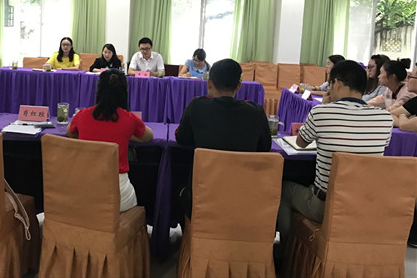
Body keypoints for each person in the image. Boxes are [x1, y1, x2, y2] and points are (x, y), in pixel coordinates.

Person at [277, 60, 393, 250]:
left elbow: (300, 142)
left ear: (337, 83)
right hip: (365, 205)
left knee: (282, 189)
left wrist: (324, 106)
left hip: (325, 206)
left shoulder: (322, 112)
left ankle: (287, 252)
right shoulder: (385, 118)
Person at [175, 58, 271, 217]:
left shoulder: (197, 106)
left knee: (176, 184)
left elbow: (182, 139)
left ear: (209, 83)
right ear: (239, 86)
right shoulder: (257, 112)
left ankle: (190, 231)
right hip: (244, 200)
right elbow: (265, 148)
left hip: (203, 198)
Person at [66, 69, 153, 211]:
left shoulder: (82, 115)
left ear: (99, 90)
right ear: (124, 92)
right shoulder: (129, 118)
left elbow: (70, 132)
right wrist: (125, 133)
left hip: (84, 192)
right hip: (118, 195)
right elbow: (148, 136)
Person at [388, 63, 417, 248]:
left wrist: (403, 119)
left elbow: (406, 125)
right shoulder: (415, 101)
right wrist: (403, 118)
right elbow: (389, 115)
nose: (408, 80)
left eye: (412, 77)